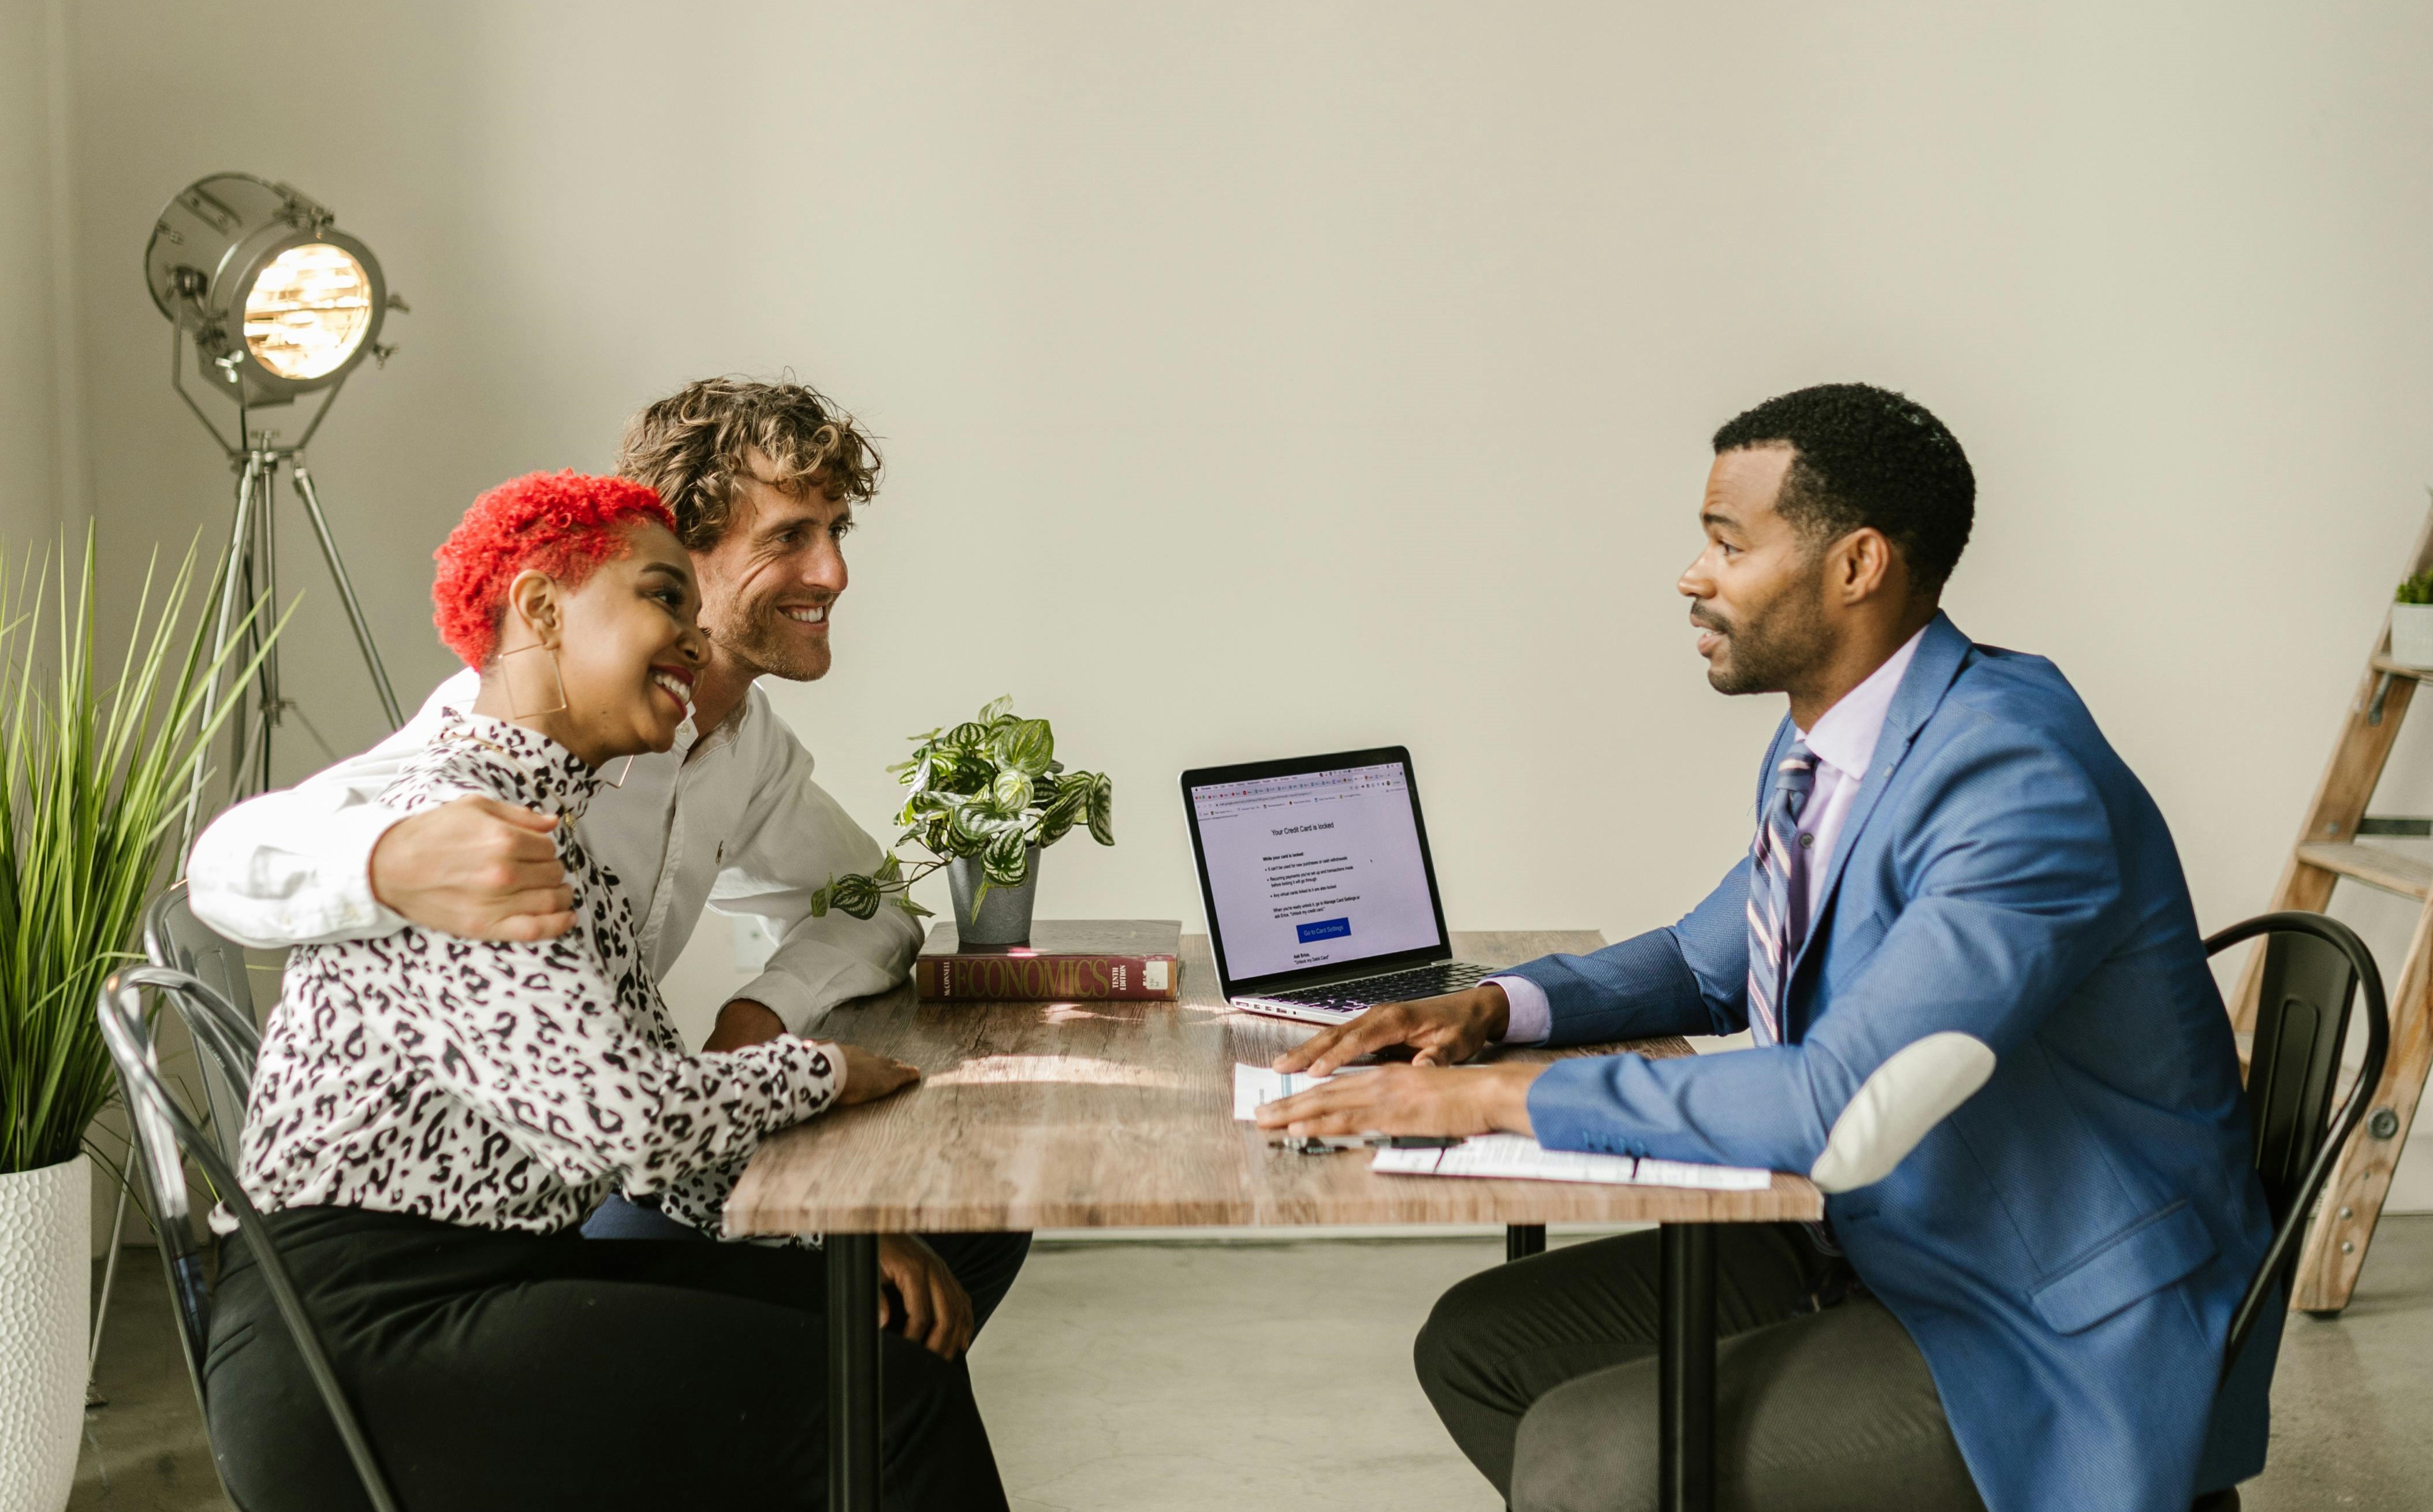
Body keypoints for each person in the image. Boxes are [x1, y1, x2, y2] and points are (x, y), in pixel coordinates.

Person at [1256, 383, 2271, 1512]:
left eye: (1727, 543)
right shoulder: (1839, 742)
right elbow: (1707, 960)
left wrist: (1493, 1100)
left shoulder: (2012, 781)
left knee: (1591, 1463)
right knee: (1478, 1347)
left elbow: (1844, 1099)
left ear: (1855, 566)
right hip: (1876, 1235)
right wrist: (1490, 1012)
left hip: (2031, 1314)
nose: (1693, 574)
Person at [207, 472, 1008, 1511]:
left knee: (880, 1334)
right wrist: (819, 1070)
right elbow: (628, 1123)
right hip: (364, 1342)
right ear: (541, 609)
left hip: (490, 1277)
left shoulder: (554, 826)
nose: (691, 635)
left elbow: (638, 1117)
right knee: (890, 1402)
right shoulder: (467, 828)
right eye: (663, 597)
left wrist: (842, 1235)